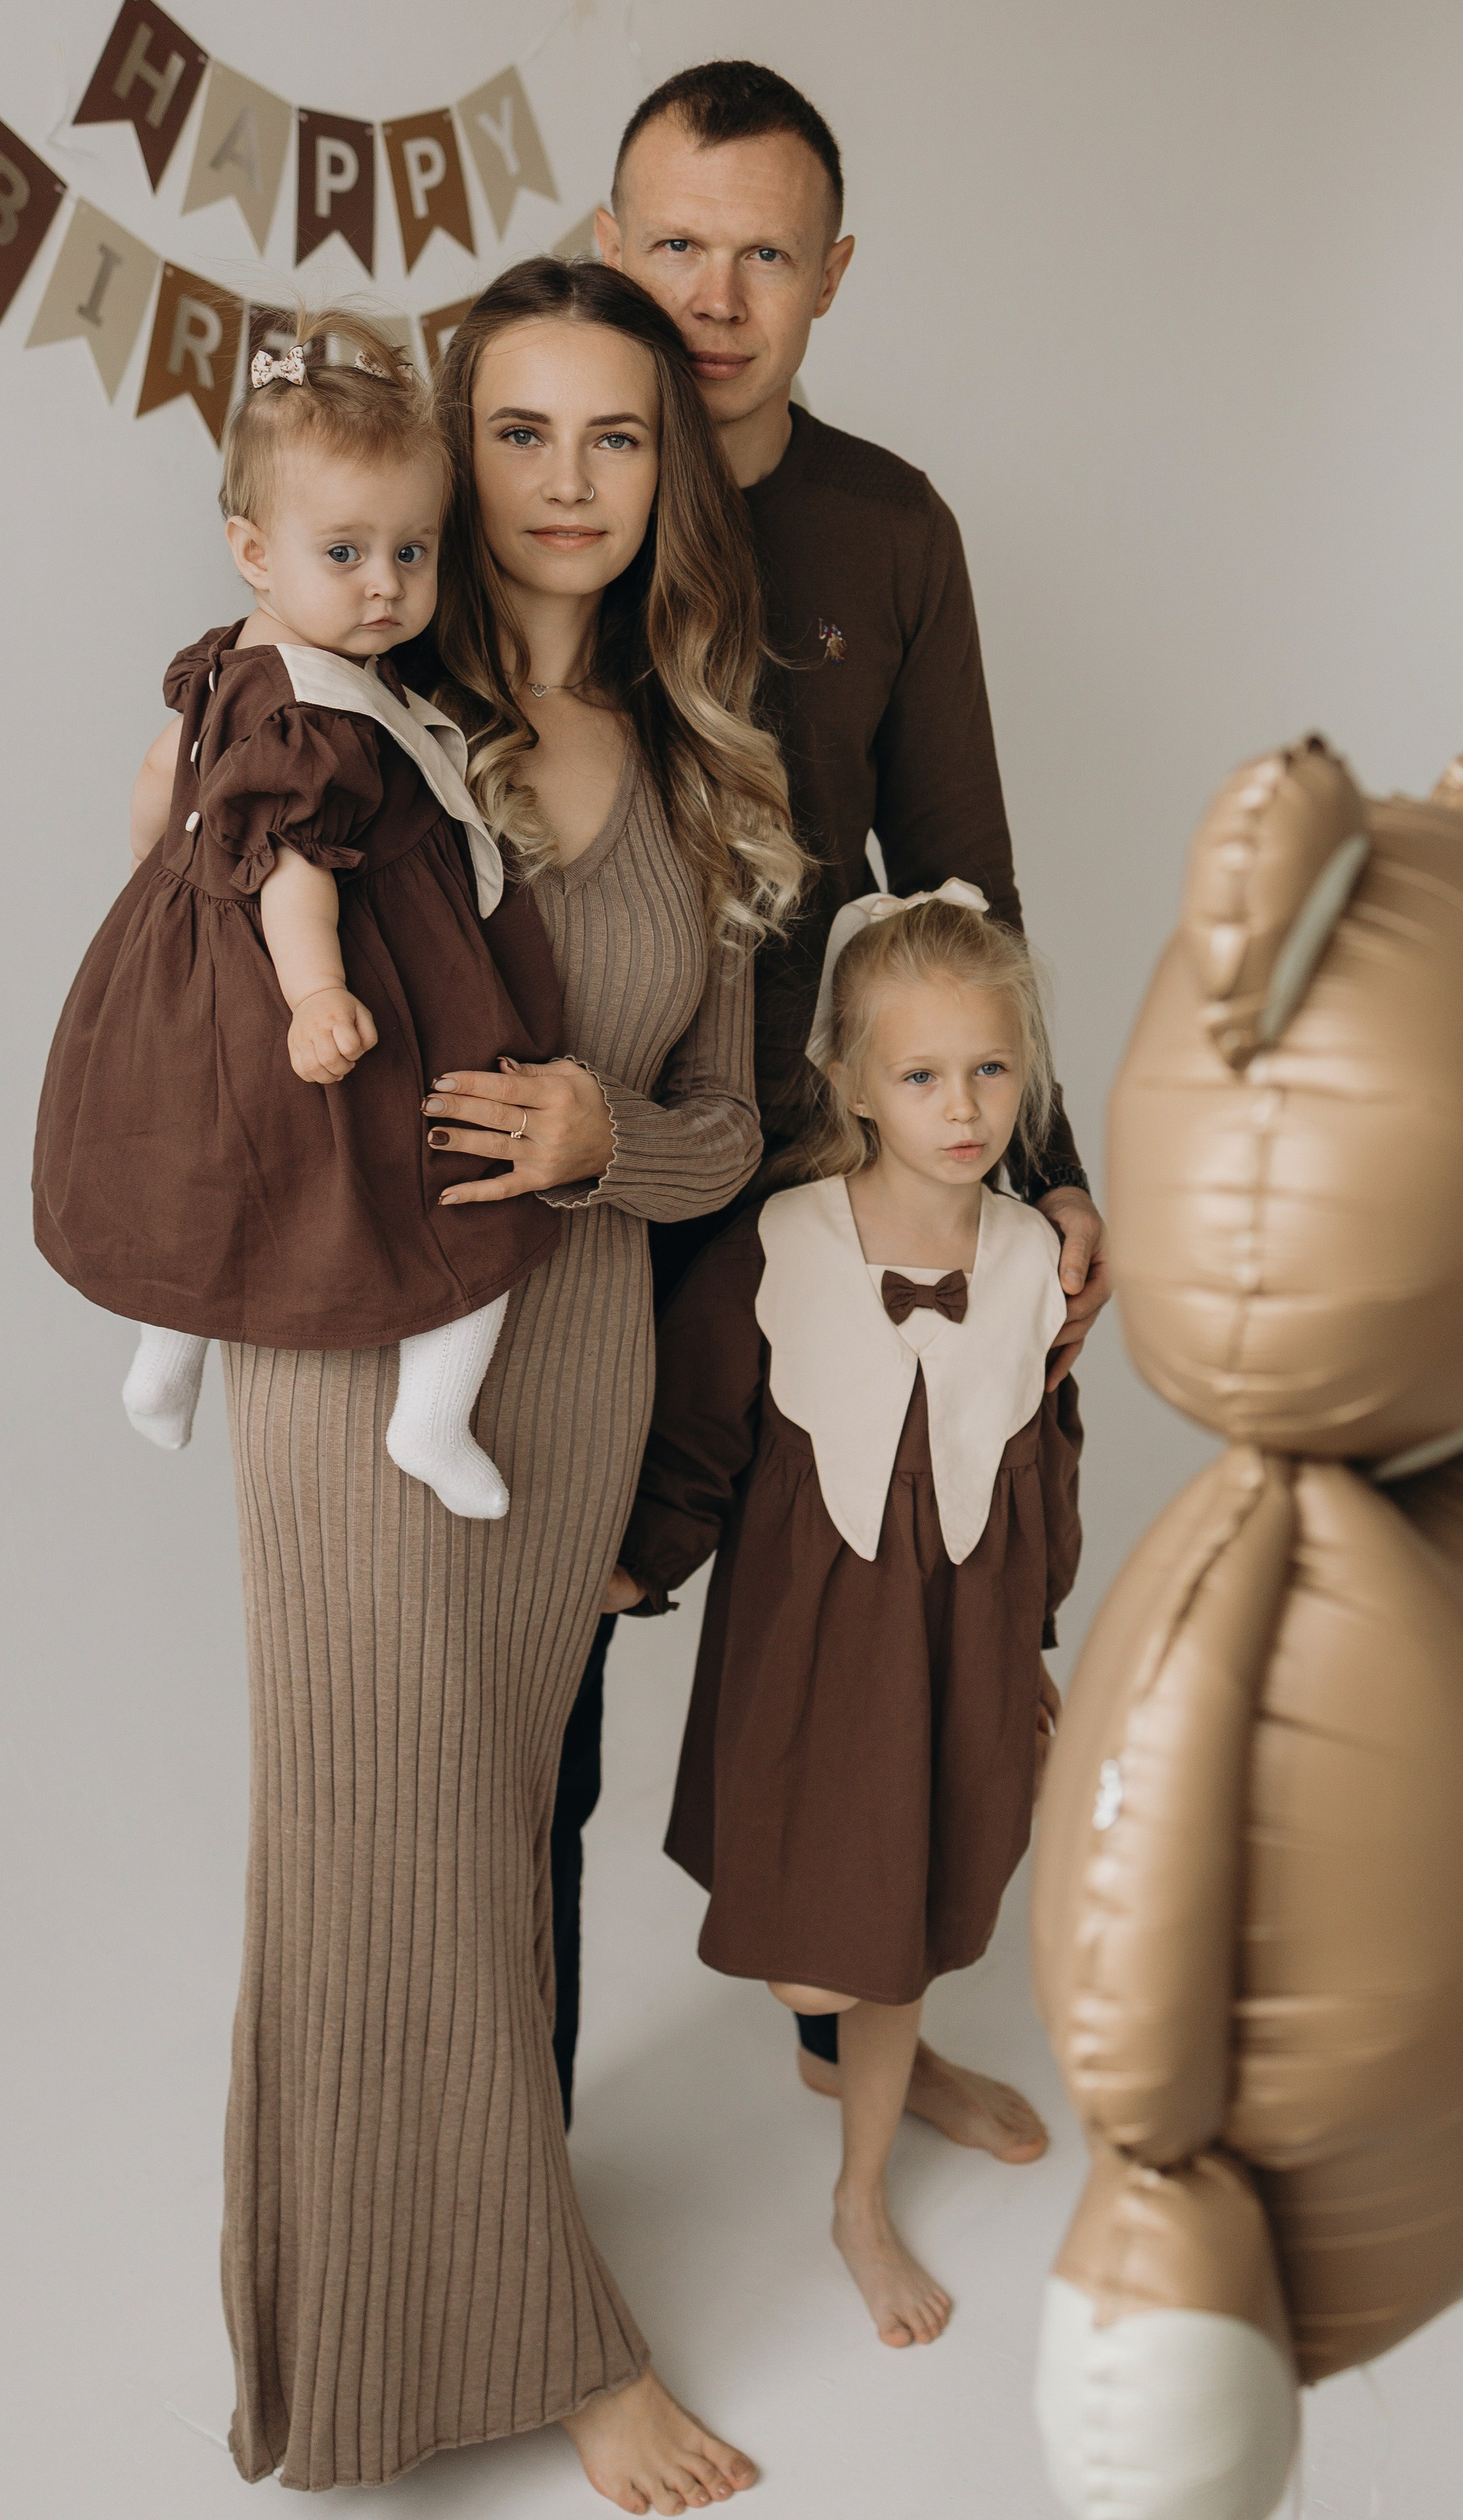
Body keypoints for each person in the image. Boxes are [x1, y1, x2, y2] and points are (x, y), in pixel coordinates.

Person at [164, 259, 804, 2513]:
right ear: (459, 449)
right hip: (352, 1356)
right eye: (519, 431)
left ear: (667, 471)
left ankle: (413, 2319)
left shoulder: (708, 769)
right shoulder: (346, 696)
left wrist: (602, 1140)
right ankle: (517, 2347)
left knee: (478, 1840)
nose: (565, 481)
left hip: (570, 1372)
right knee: (373, 1830)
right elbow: (207, 935)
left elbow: (733, 1127)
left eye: (615, 435)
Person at [556, 57, 1109, 2145]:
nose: (717, 296)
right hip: (572, 1169)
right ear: (610, 245)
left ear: (834, 273)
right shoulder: (546, 488)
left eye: (766, 254)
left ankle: (844, 2030)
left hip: (807, 1177)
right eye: (678, 245)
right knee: (554, 1660)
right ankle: (517, 2132)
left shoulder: (887, 530)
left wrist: (1044, 1178)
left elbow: (962, 883)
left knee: (890, 1640)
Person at [606, 887, 1082, 2347]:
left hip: (957, 1649)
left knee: (905, 1911)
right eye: (922, 1074)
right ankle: (844, 2042)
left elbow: (1045, 1465)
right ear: (852, 1083)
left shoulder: (1035, 1262)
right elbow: (698, 1438)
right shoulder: (780, 1243)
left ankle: (858, 2195)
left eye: (989, 1069)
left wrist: (1034, 1645)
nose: (964, 1107)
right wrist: (633, 1568)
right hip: (813, 1657)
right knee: (817, 1944)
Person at [32, 311, 571, 1520]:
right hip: (308, 970)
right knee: (468, 1189)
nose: (386, 583)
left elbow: (161, 776)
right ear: (254, 551)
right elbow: (292, 875)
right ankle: (430, 1417)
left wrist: (171, 885)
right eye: (345, 552)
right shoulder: (312, 720)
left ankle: (164, 1361)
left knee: (212, 1170)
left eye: (413, 551)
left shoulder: (237, 661)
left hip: (202, 969)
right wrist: (319, 991)